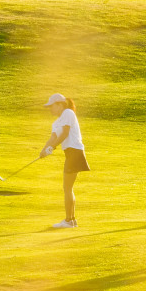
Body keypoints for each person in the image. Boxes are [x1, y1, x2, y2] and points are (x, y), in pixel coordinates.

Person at [40, 93, 90, 228]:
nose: (50, 109)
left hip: (75, 151)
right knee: (68, 188)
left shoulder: (68, 113)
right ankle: (71, 221)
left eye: (52, 106)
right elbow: (53, 137)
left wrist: (52, 147)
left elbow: (65, 133)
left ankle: (69, 221)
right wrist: (44, 150)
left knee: (67, 188)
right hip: (70, 153)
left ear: (60, 104)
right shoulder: (56, 122)